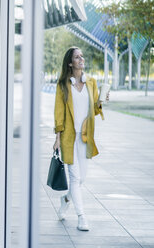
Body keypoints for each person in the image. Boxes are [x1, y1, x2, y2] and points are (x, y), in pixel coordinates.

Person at [53, 47, 108, 231]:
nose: (81, 59)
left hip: (85, 137)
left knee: (82, 178)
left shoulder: (91, 82)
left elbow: (94, 108)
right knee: (75, 177)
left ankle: (66, 198)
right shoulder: (63, 85)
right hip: (69, 138)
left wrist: (101, 101)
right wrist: (57, 137)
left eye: (82, 56)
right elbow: (59, 113)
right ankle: (81, 217)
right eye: (77, 57)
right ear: (70, 62)